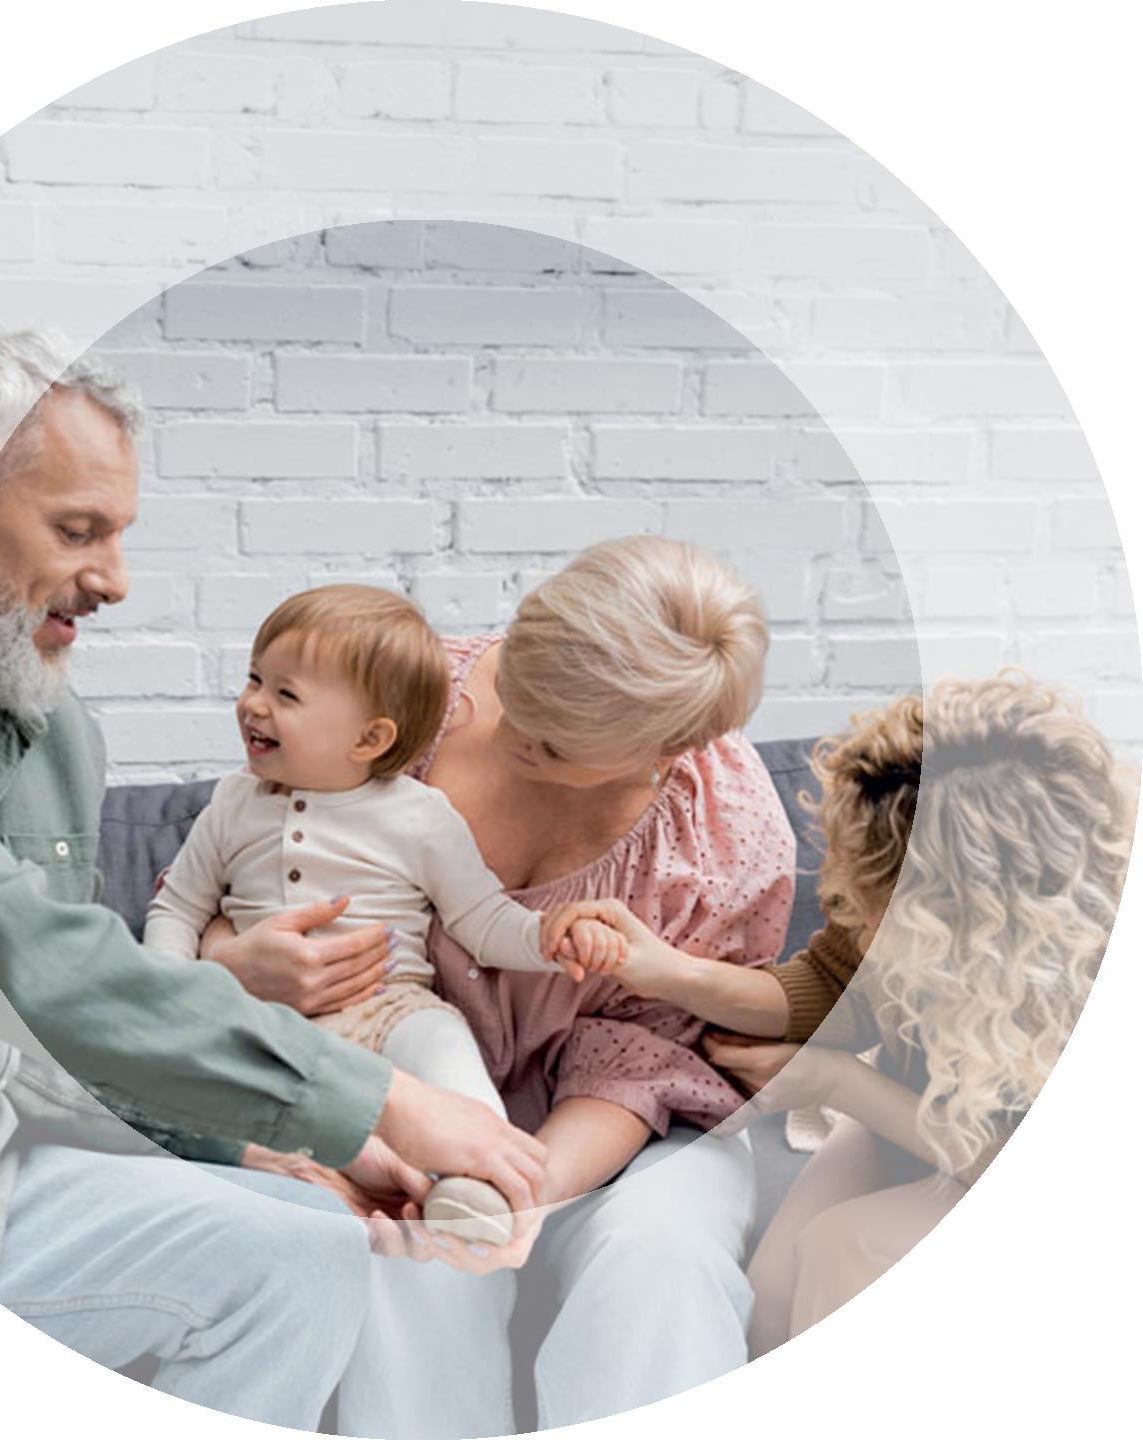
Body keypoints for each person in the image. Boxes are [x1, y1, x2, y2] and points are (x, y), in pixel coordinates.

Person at [0, 327, 546, 1428]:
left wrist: (243, 1140)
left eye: (118, 535)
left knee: (308, 1253)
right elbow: (33, 960)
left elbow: (45, 1040)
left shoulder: (51, 725)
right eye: (76, 531)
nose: (113, 579)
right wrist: (377, 1100)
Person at [203, 535, 797, 1434]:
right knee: (408, 1255)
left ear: (667, 747)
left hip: (624, 1134)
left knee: (661, 1262)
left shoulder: (723, 834)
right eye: (511, 691)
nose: (508, 734)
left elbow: (640, 1061)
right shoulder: (403, 696)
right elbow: (240, 861)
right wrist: (233, 965)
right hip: (390, 1093)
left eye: (550, 745)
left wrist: (509, 1185)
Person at [552, 673, 1133, 1356]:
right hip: (922, 1112)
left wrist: (832, 1083)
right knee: (767, 1297)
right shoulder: (894, 895)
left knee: (846, 1246)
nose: (841, 895)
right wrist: (669, 974)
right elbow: (826, 987)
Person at [145, 584, 623, 1243]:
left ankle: (482, 1187)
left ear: (370, 737)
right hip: (264, 1020)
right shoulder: (234, 802)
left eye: (286, 694)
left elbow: (481, 919)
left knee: (445, 1049)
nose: (252, 704)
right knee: (214, 1083)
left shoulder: (419, 815)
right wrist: (172, 993)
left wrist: (547, 938)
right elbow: (178, 906)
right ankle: (336, 1180)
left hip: (390, 1006)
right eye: (255, 678)